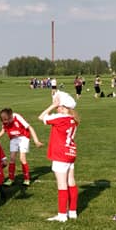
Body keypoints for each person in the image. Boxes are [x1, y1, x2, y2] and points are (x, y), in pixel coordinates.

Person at [38, 91, 79, 222]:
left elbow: (41, 117)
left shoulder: (60, 118)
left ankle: (62, 215)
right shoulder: (73, 120)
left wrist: (52, 105)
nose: (57, 108)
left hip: (60, 154)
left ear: (63, 106)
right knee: (71, 182)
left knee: (62, 185)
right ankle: (72, 211)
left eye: (58, 106)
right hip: (70, 152)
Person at [0, 107, 42, 186]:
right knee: (12, 158)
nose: (5, 122)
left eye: (7, 120)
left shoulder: (17, 117)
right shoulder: (5, 121)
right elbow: (3, 130)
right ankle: (11, 179)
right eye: (3, 121)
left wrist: (36, 140)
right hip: (14, 138)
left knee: (22, 158)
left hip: (23, 137)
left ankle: (26, 179)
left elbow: (30, 127)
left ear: (11, 117)